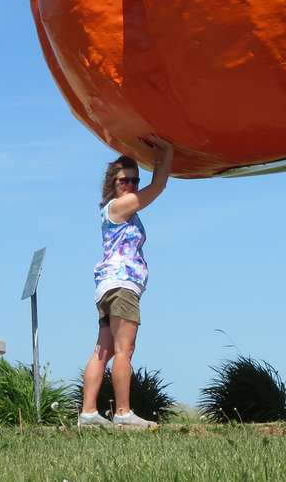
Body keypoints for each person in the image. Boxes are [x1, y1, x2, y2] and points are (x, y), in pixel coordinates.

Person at [78, 137, 174, 429]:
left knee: (102, 351)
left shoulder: (116, 211)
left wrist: (158, 161)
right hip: (122, 286)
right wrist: (168, 152)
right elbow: (158, 188)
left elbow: (152, 187)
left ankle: (89, 413)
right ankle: (122, 413)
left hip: (108, 286)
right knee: (124, 350)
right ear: (113, 183)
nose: (131, 185)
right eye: (124, 180)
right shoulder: (119, 207)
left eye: (135, 180)